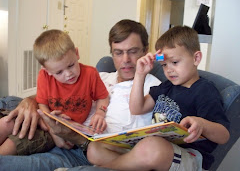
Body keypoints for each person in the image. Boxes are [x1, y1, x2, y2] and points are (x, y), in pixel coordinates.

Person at [0, 19, 160, 171]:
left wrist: (75, 138)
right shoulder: (101, 76)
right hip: (58, 126)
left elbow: (139, 146)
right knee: (9, 104)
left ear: (145, 51)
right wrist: (29, 101)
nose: (125, 59)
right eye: (118, 53)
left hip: (82, 151)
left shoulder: (153, 88)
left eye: (132, 52)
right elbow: (53, 95)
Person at [98, 26, 230, 171]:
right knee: (96, 148)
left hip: (189, 156)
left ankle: (104, 168)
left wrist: (201, 123)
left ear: (196, 58)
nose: (169, 70)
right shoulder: (166, 87)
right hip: (157, 151)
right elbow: (136, 108)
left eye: (174, 62)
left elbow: (224, 136)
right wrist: (140, 75)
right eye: (164, 65)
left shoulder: (204, 90)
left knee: (151, 145)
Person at [0, 29, 109, 155]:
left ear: (77, 53)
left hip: (59, 130)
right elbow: (42, 105)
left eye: (71, 65)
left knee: (11, 146)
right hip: (46, 122)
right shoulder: (44, 76)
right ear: (47, 70)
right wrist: (51, 126)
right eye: (59, 72)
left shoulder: (90, 74)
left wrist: (100, 114)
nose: (68, 74)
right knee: (6, 123)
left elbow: (103, 97)